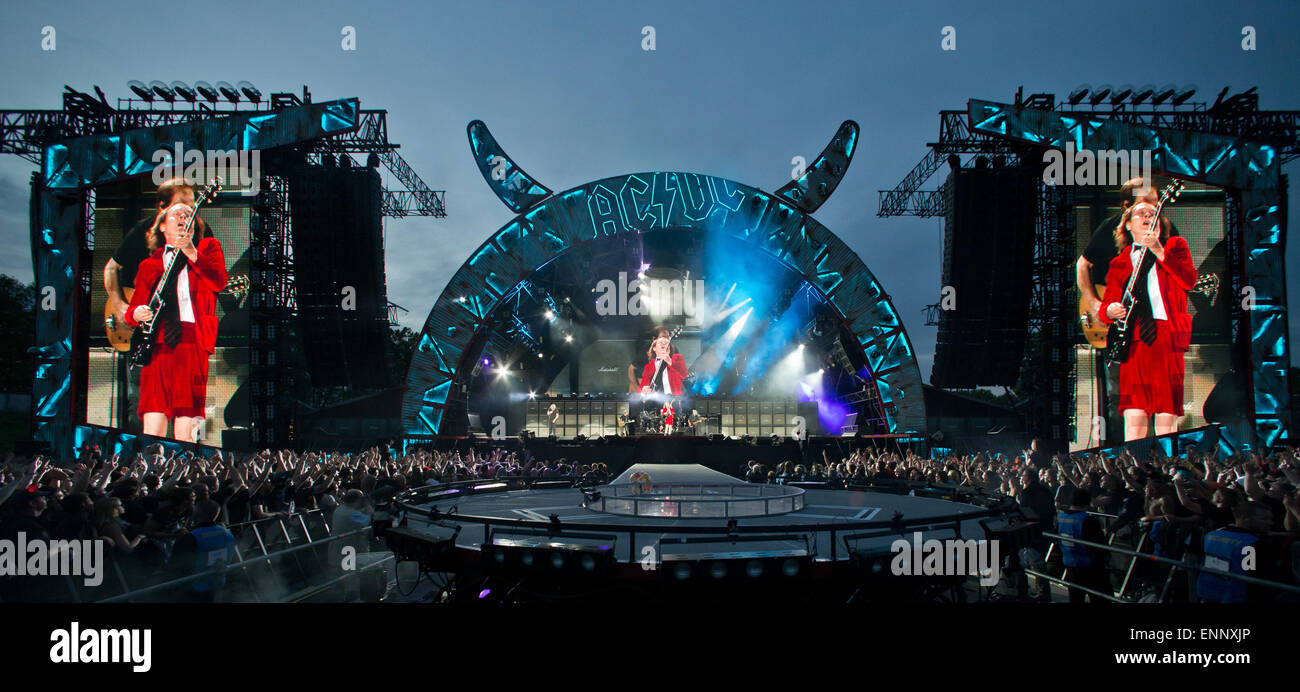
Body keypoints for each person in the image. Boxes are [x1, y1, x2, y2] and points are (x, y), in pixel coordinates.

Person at [124, 202, 228, 441]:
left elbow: (219, 281)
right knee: (153, 413)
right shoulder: (148, 265)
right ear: (162, 226)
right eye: (176, 215)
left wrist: (191, 252)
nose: (183, 217)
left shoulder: (207, 248)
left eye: (188, 214)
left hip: (191, 339)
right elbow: (133, 311)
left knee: (189, 415)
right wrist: (136, 314)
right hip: (156, 343)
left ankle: (186, 466)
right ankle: (151, 465)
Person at [1095, 200, 1196, 441]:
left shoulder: (1175, 246)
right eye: (1141, 213)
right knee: (1134, 415)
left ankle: (1168, 467)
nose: (1149, 216)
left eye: (1154, 213)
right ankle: (1136, 467)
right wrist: (1110, 311)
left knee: (1166, 414)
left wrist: (1159, 251)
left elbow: (1189, 280)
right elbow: (1105, 307)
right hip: (1135, 341)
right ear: (1128, 224)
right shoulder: (1118, 263)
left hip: (1167, 337)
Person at [104, 178, 209, 332]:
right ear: (162, 207)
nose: (187, 212)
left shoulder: (201, 232)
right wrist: (120, 306)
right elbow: (110, 269)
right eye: (179, 205)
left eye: (191, 206)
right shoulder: (143, 229)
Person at [169, 499, 235, 602]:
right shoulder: (228, 534)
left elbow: (176, 565)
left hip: (195, 588)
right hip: (219, 583)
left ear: (196, 514)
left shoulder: (191, 538)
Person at [1057, 489, 1111, 604]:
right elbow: (1099, 545)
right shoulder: (1087, 520)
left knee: (1076, 598)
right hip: (1089, 566)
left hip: (1069, 563)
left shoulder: (1061, 517)